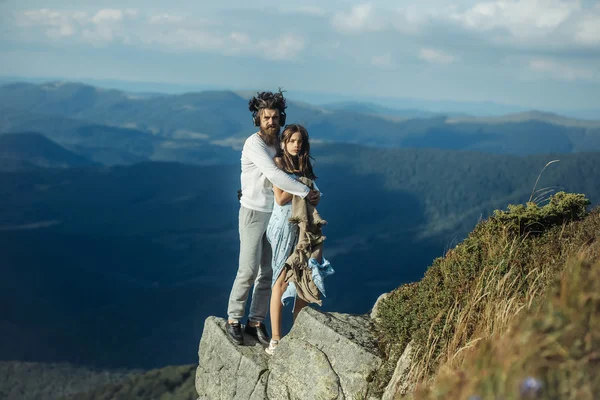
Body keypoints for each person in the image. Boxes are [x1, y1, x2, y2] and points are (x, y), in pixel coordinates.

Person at [226, 90, 320, 346]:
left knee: (267, 272)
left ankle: (255, 321)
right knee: (248, 268)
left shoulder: (277, 142)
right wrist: (305, 191)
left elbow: (289, 167)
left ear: (280, 118)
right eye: (266, 117)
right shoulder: (254, 144)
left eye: (275, 117)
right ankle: (234, 318)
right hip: (254, 212)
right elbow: (273, 174)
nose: (271, 122)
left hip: (276, 216)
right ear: (258, 118)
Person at [264, 124, 332, 356]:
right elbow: (281, 198)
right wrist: (303, 188)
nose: (296, 145)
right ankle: (275, 339)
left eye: (299, 141)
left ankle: (297, 334)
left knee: (303, 277)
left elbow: (313, 195)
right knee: (280, 281)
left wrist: (312, 194)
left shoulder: (303, 165)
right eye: (292, 140)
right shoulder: (278, 164)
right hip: (283, 226)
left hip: (301, 229)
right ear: (283, 142)